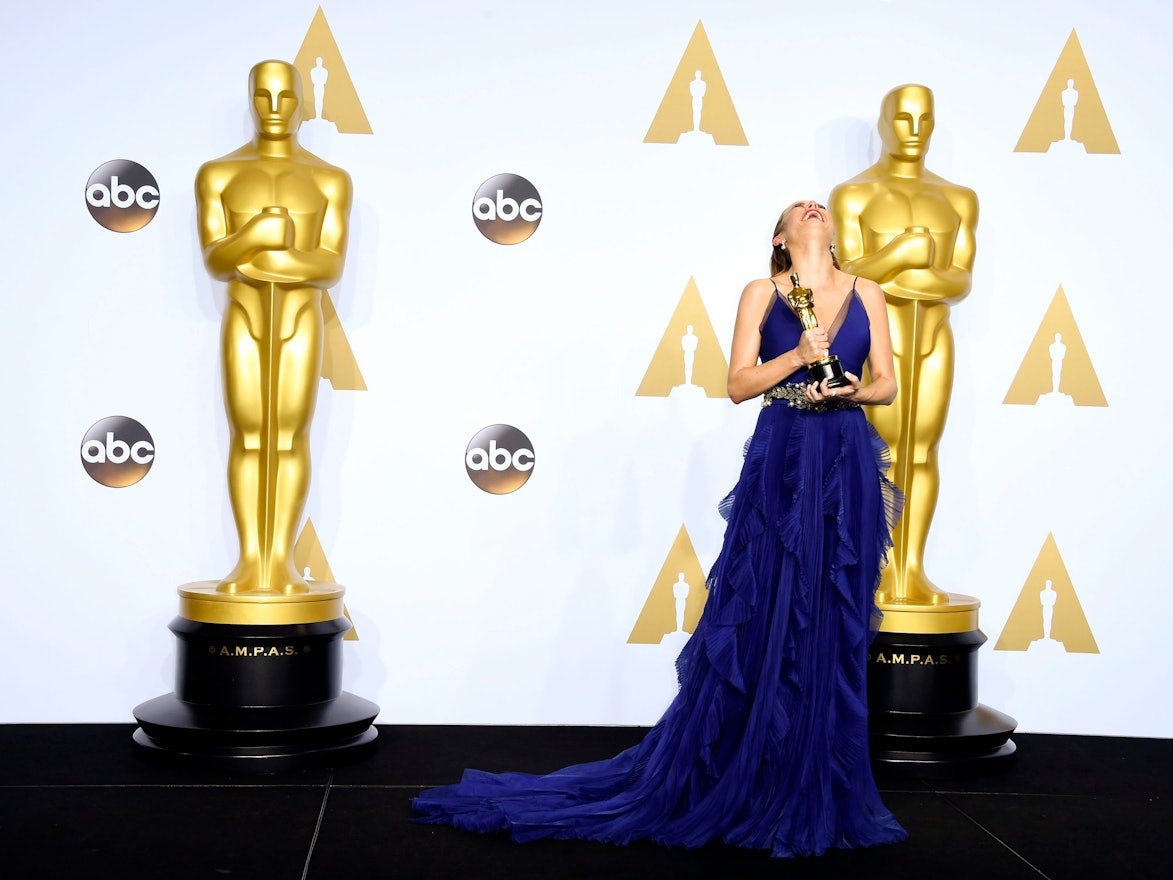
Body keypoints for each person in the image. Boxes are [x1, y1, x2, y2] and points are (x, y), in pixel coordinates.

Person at [412, 199, 907, 858]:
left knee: (832, 614)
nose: (812, 208)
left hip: (843, 458)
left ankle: (817, 777)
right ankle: (750, 770)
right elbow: (736, 383)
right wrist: (795, 360)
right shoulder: (762, 292)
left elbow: (887, 386)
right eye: (797, 210)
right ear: (781, 237)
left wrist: (849, 391)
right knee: (766, 609)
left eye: (818, 207)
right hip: (784, 455)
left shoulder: (866, 291)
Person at [196, 59, 352, 595]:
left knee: (288, 436)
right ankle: (249, 561)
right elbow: (217, 261)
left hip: (299, 320)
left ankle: (279, 562)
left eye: (286, 97)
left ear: (303, 102)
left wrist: (262, 260)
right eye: (264, 97)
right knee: (248, 435)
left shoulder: (328, 180)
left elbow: (328, 266)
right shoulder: (219, 174)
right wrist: (261, 232)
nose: (276, 108)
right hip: (244, 317)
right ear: (251, 99)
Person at [829, 83, 978, 606]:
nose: (915, 132)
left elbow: (959, 281)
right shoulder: (854, 195)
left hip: (933, 337)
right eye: (904, 120)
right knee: (882, 453)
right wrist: (905, 251)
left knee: (922, 451)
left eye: (925, 120)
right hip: (878, 341)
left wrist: (901, 277)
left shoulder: (958, 199)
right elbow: (846, 273)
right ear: (883, 123)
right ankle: (880, 569)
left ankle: (912, 570)